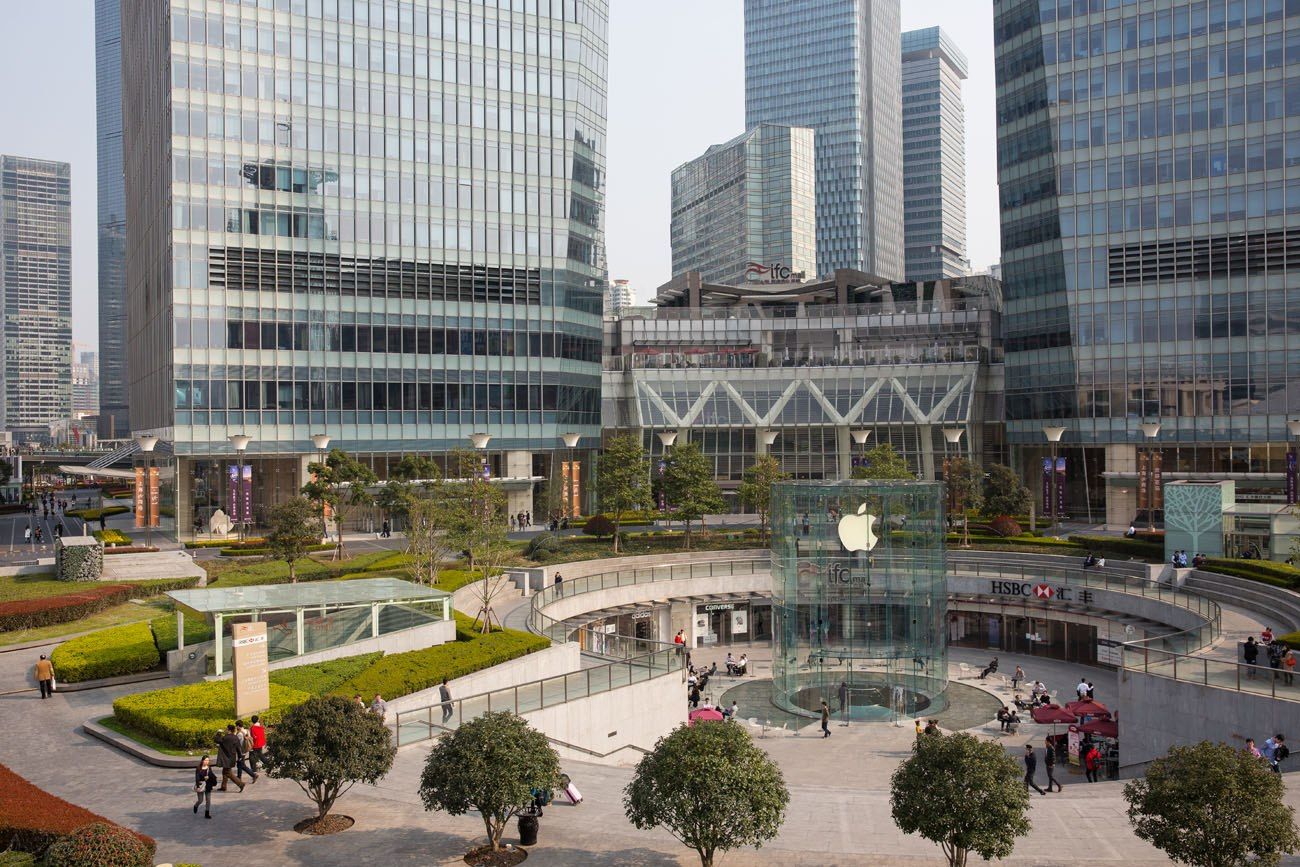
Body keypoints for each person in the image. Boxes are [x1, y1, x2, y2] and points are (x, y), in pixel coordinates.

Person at [217, 725, 245, 792]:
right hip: (232, 758)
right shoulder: (235, 737)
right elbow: (238, 748)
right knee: (225, 772)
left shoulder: (225, 738)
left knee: (228, 773)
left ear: (229, 730)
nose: (226, 730)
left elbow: (216, 739)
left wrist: (218, 733)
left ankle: (240, 784)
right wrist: (240, 756)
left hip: (225, 758)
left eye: (226, 729)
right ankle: (223, 787)